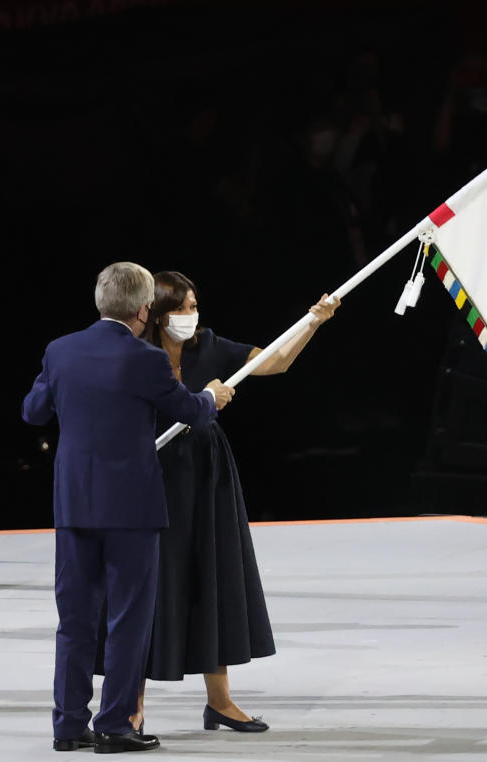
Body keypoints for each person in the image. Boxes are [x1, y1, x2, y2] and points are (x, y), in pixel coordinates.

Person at [22, 262, 234, 753]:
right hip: (133, 510)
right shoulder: (146, 359)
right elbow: (190, 411)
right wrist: (213, 395)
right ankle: (116, 725)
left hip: (74, 505)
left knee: (74, 620)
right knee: (128, 619)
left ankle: (69, 725)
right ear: (143, 310)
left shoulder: (60, 350)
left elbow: (33, 411)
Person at [136, 270, 339, 732]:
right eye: (182, 308)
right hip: (155, 472)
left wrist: (313, 323)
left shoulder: (206, 344)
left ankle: (220, 702)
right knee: (150, 580)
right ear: (159, 314)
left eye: (194, 306)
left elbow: (274, 362)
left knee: (211, 571)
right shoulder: (138, 355)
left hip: (206, 473)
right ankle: (132, 703)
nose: (192, 315)